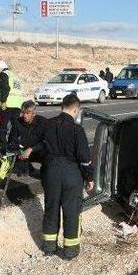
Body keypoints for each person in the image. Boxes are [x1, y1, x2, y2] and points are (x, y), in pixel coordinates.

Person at [21, 93, 93, 259]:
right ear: (76, 109)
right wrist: (89, 178)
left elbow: (37, 146)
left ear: (62, 107)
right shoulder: (77, 129)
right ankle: (70, 251)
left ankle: (49, 247)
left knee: (51, 208)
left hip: (51, 172)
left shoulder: (47, 125)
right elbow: (84, 158)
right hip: (71, 173)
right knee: (71, 211)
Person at [7, 100, 47, 177]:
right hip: (23, 152)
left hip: (38, 150)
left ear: (34, 113)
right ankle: (27, 168)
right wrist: (20, 151)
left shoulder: (43, 122)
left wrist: (31, 149)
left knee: (49, 153)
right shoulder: (17, 122)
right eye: (23, 112)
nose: (24, 115)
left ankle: (45, 169)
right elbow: (12, 141)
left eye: (27, 113)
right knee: (22, 171)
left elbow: (46, 141)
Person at [0, 60, 24, 153]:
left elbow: (5, 88)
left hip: (8, 104)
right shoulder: (15, 76)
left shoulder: (3, 74)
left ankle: (3, 146)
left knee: (2, 126)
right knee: (15, 125)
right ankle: (13, 144)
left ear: (1, 68)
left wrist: (3, 101)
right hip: (18, 104)